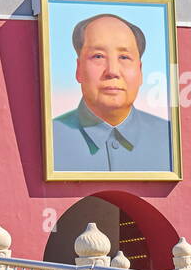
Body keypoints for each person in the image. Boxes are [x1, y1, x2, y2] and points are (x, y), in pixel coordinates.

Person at [50, 12, 172, 172]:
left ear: (140, 71)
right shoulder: (51, 137)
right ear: (78, 69)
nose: (112, 71)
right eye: (98, 56)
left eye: (124, 57)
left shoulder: (168, 138)